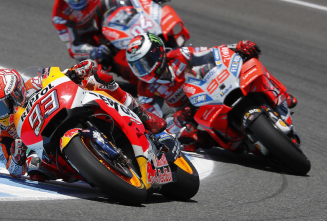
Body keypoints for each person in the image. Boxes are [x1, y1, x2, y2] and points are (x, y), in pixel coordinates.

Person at [0, 61, 166, 181]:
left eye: (1, 106)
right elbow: (13, 170)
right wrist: (18, 153)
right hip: (45, 149)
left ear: (16, 94)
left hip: (66, 111)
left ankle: (143, 115)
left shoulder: (33, 84)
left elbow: (59, 78)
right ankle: (88, 167)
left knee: (98, 82)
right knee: (34, 169)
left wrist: (76, 71)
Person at [125, 32, 298, 152]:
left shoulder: (180, 55)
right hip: (192, 112)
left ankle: (280, 95)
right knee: (190, 141)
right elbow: (154, 123)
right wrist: (176, 120)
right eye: (137, 67)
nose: (143, 70)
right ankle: (241, 143)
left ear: (157, 53)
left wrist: (238, 47)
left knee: (250, 64)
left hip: (211, 89)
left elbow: (213, 52)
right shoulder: (145, 90)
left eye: (145, 63)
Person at [52, 0, 166, 62]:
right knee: (89, 66)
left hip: (105, 20)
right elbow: (73, 47)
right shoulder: (59, 16)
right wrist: (93, 52)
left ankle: (150, 31)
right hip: (86, 37)